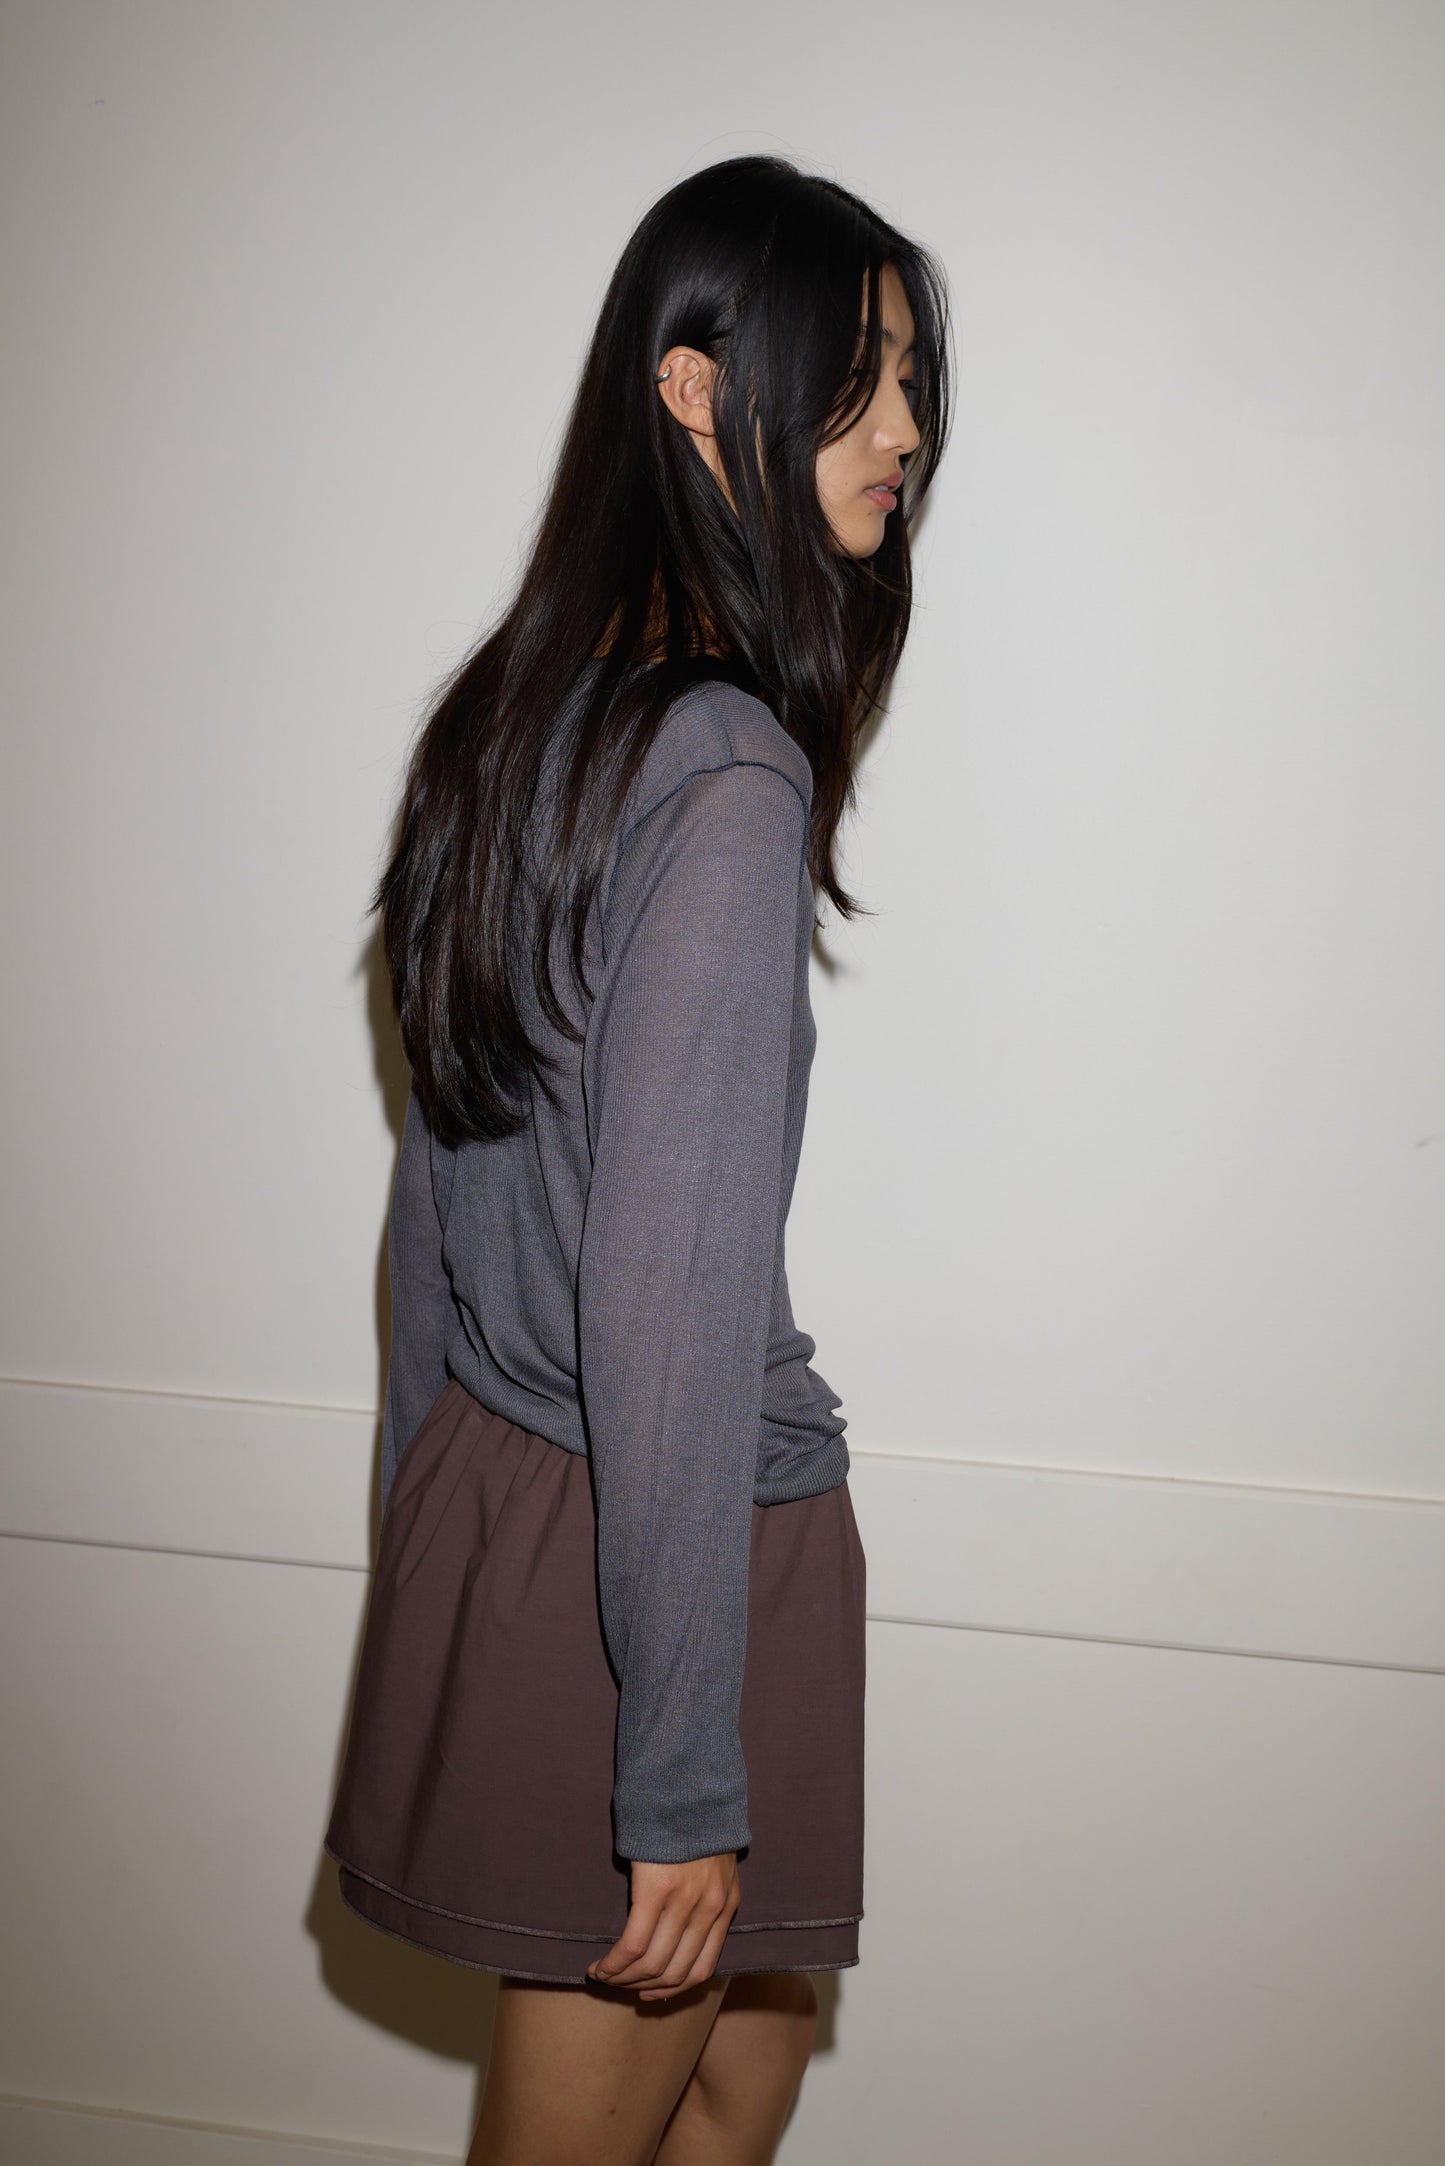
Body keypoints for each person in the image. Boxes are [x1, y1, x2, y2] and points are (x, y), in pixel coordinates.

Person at [323, 153, 951, 2165]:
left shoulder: (524, 722)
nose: (908, 436)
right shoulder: (724, 776)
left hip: (558, 1519)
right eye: (855, 380)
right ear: (693, 392)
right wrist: (672, 1770)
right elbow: (661, 1301)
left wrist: (431, 1522)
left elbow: (432, 1210)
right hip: (681, 1552)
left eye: (916, 385)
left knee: (744, 2076)